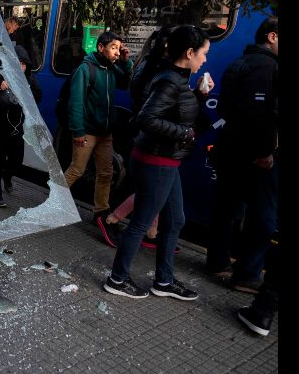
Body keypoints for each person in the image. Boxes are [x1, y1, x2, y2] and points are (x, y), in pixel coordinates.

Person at [103, 25, 212, 300]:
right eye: (203, 53)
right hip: (156, 161)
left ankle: (163, 281)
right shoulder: (168, 79)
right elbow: (147, 119)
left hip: (167, 161)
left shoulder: (177, 78)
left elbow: (177, 112)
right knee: (141, 222)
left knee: (175, 221)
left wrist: (199, 96)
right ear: (189, 53)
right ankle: (117, 279)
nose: (205, 60)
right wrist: (185, 133)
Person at [205, 16, 278, 294]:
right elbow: (259, 114)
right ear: (271, 37)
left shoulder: (241, 62)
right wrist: (264, 152)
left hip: (230, 149)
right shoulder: (266, 67)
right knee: (264, 217)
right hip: (253, 156)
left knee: (227, 209)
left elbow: (226, 108)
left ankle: (217, 262)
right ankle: (247, 274)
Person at [96, 26, 174, 249]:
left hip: (154, 136)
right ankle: (112, 219)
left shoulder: (149, 66)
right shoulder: (154, 69)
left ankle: (151, 231)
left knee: (158, 190)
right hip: (151, 137)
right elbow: (145, 103)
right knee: (152, 190)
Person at [64, 31, 133, 220]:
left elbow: (127, 81)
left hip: (105, 133)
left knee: (106, 173)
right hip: (87, 131)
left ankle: (101, 211)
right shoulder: (86, 69)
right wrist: (78, 131)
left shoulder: (111, 69)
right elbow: (75, 102)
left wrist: (126, 62)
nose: (117, 52)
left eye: (119, 48)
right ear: (100, 48)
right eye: (113, 48)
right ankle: (54, 199)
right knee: (77, 170)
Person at [0, 44, 42, 207]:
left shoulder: (29, 80)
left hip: (15, 128)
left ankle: (7, 177)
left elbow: (39, 96)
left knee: (16, 161)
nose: (20, 67)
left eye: (23, 64)